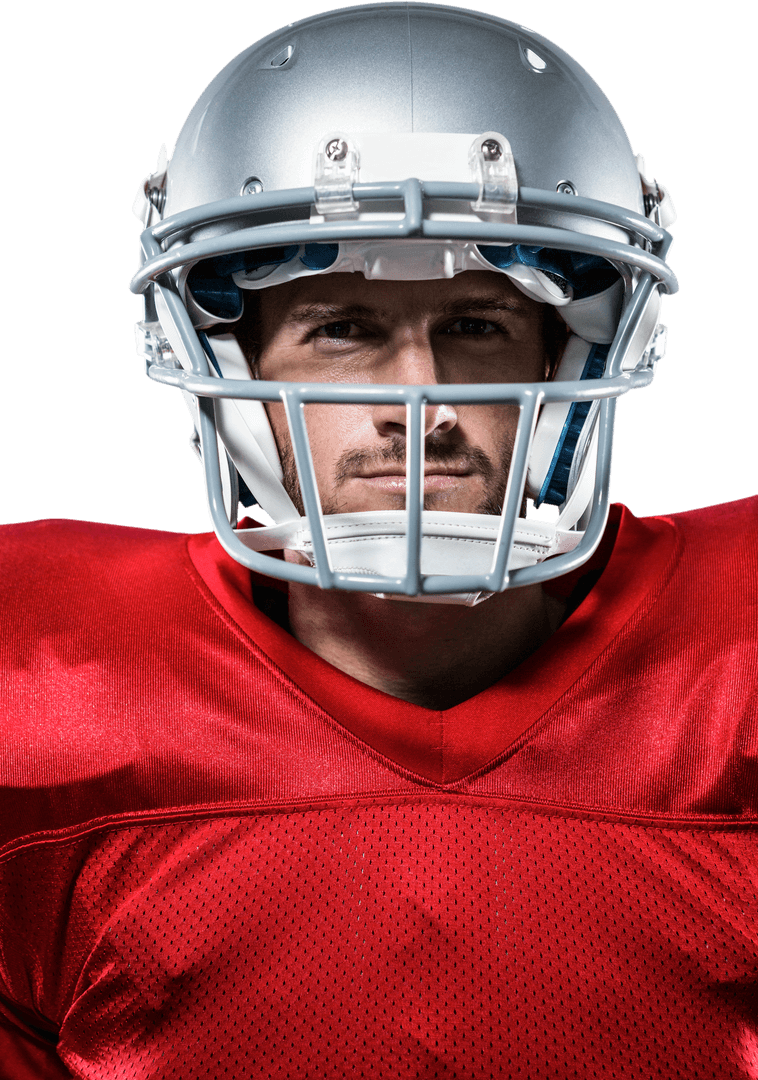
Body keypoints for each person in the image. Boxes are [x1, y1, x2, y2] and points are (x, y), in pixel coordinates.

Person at [0, 4, 755, 1078]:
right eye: (343, 329)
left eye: (477, 323)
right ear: (224, 360)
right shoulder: (43, 684)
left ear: (571, 367)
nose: (422, 400)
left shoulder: (735, 664)